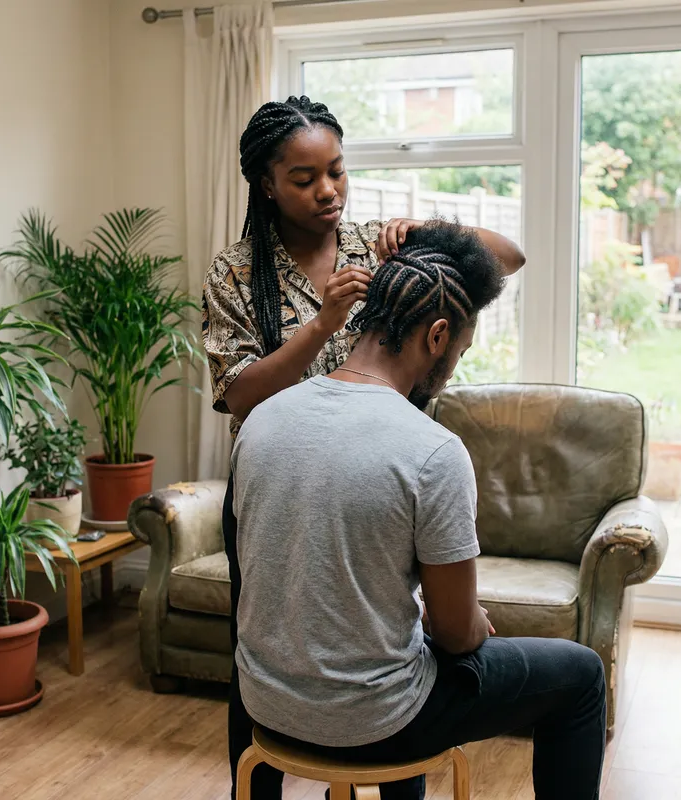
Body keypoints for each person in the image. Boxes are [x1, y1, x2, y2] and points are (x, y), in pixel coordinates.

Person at [202, 95, 526, 799]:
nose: (328, 191)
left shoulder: (378, 243)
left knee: (395, 638)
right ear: (265, 182)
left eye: (338, 172)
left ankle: (389, 775)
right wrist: (323, 325)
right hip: (278, 481)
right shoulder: (233, 275)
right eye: (305, 177)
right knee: (263, 648)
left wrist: (428, 228)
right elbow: (239, 395)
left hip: (381, 483)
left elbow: (508, 257)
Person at [232, 220, 607, 800]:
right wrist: (471, 622)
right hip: (373, 723)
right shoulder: (432, 450)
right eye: (460, 347)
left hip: (267, 704)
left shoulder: (262, 418)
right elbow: (456, 635)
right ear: (436, 336)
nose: (455, 363)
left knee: (405, 660)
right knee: (581, 676)